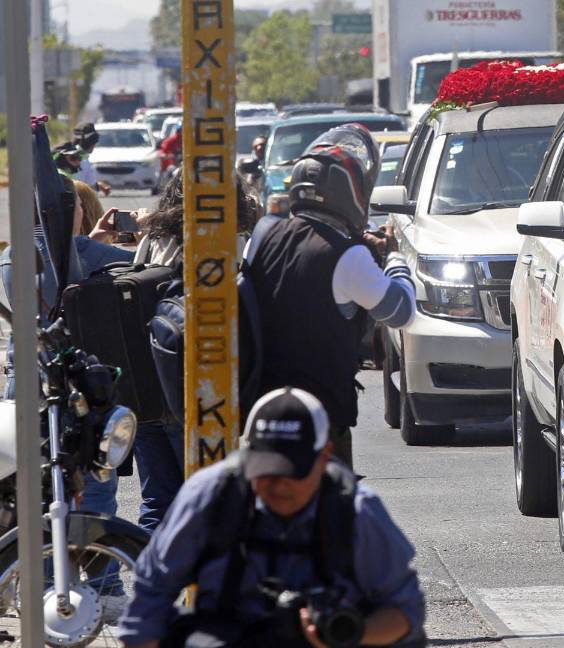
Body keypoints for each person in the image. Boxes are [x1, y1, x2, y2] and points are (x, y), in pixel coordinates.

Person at [116, 387, 426, 648]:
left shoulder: (356, 511)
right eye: (265, 470)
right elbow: (151, 595)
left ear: (324, 456)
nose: (278, 484)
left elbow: (405, 612)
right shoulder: (209, 496)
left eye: (292, 472)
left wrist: (349, 632)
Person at [246, 124, 417, 469]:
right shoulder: (347, 255)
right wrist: (395, 258)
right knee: (332, 515)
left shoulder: (263, 236)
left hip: (264, 408)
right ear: (349, 192)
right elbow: (400, 311)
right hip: (322, 415)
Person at [125, 171, 260, 532]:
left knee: (157, 502)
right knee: (211, 501)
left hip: (149, 383)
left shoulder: (155, 237)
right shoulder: (236, 239)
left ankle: (154, 584)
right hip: (203, 387)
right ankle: (205, 585)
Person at [73, 122, 112, 195]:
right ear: (90, 142)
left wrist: (99, 186)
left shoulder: (83, 157)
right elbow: (77, 185)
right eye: (94, 142)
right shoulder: (76, 159)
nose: (95, 145)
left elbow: (87, 183)